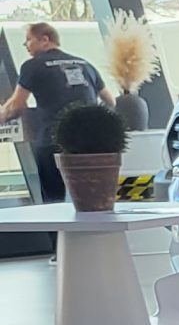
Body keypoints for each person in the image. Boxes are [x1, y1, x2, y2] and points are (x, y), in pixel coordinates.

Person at [3, 22, 105, 204]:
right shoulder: (86, 64)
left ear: (44, 40)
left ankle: (55, 222)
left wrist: (3, 116)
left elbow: (16, 105)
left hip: (52, 140)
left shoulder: (33, 66)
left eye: (28, 40)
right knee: (89, 198)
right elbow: (109, 101)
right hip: (88, 144)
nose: (26, 45)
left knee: (53, 200)